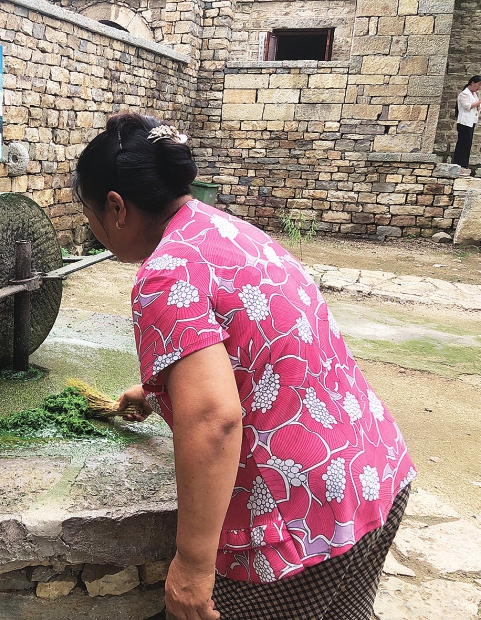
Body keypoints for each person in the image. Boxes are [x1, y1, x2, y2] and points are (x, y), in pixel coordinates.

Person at [73, 112, 416, 620]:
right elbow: (264, 349)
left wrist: (192, 565)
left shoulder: (163, 274)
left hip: (300, 522)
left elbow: (215, 421)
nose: (92, 228)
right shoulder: (226, 231)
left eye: (89, 214)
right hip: (371, 473)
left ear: (117, 208)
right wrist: (161, 389)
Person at [453, 75, 481, 171]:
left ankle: (464, 163)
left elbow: (477, 106)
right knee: (462, 143)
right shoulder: (464, 94)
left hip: (471, 121)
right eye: (479, 84)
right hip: (464, 122)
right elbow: (467, 106)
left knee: (467, 143)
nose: (479, 87)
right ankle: (458, 162)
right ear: (472, 83)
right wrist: (479, 102)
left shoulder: (474, 94)